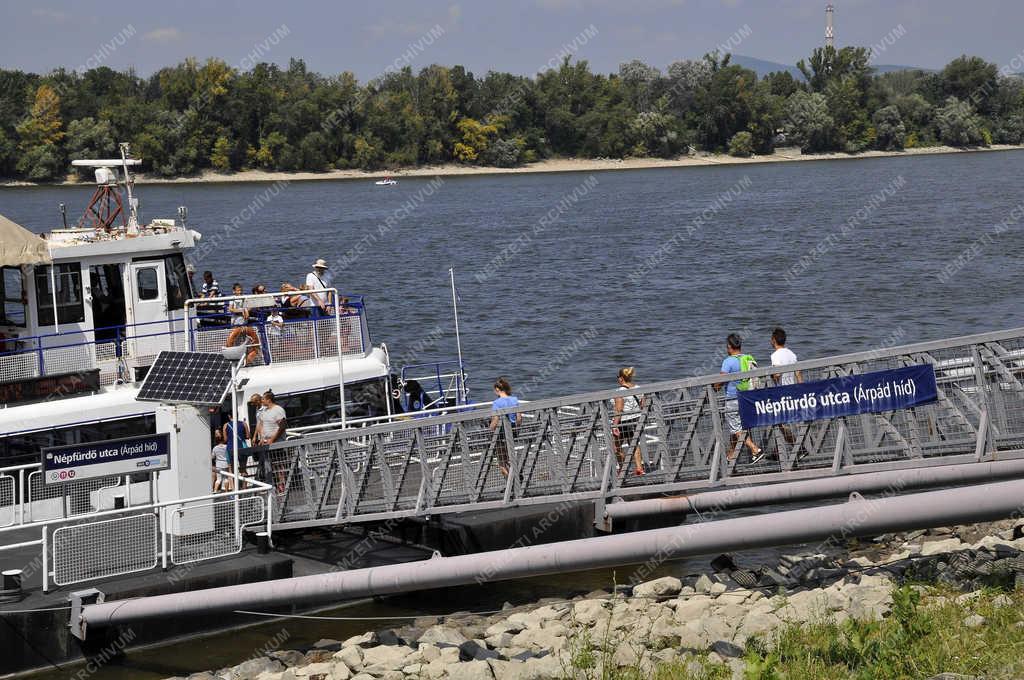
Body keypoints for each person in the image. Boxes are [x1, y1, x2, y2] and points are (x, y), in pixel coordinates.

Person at [716, 333, 764, 463]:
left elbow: (719, 382)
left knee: (736, 428)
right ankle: (731, 457)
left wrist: (715, 386)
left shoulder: (728, 361)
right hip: (747, 399)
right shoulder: (747, 358)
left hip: (733, 399)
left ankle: (755, 449)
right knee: (736, 428)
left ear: (729, 346)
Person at [770, 327, 801, 446]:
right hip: (793, 390)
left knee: (779, 422)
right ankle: (778, 451)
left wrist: (772, 375)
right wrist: (802, 389)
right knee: (791, 422)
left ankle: (797, 446)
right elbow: (798, 373)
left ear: (774, 340)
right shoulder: (791, 354)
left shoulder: (775, 355)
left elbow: (777, 374)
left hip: (782, 393)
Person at [612, 367, 645, 476]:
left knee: (616, 446)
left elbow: (619, 410)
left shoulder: (620, 392)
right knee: (634, 443)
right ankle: (639, 468)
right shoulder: (638, 388)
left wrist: (614, 426)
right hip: (636, 419)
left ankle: (623, 469)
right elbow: (642, 405)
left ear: (621, 378)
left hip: (623, 421)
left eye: (618, 377)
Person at [489, 377, 520, 477]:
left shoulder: (497, 403)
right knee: (509, 455)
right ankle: (515, 474)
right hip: (513, 431)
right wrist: (517, 428)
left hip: (501, 433)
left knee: (502, 460)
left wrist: (490, 430)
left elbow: (495, 420)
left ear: (497, 389)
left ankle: (512, 479)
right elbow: (519, 418)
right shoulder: (514, 400)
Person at [222, 415, 250, 489]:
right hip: (242, 448)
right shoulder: (243, 423)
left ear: (229, 416)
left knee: (231, 471)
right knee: (243, 469)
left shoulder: (226, 425)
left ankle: (234, 489)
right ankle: (244, 488)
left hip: (230, 449)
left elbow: (225, 439)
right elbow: (248, 436)